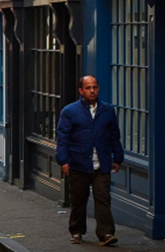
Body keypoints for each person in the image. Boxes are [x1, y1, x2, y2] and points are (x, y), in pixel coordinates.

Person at [56, 76, 123, 246]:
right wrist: (63, 160)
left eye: (94, 87)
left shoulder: (107, 110)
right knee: (79, 200)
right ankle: (77, 231)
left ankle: (106, 233)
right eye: (88, 88)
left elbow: (115, 136)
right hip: (78, 163)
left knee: (103, 199)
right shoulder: (70, 111)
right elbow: (62, 138)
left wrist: (118, 157)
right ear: (81, 91)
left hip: (102, 163)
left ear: (98, 89)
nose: (92, 91)